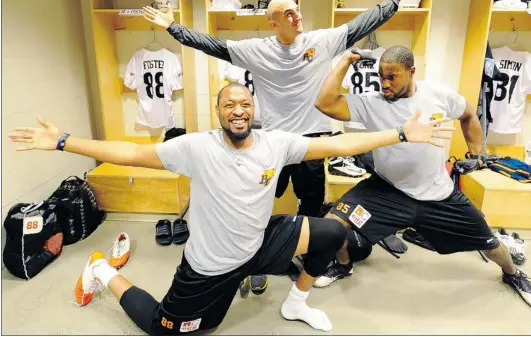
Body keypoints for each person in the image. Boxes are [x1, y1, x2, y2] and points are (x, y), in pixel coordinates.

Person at [9, 83, 454, 335]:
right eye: (229, 105)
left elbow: (336, 143)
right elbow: (128, 152)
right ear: (219, 112)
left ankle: (295, 303)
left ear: (253, 109)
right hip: (211, 266)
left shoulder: (276, 143)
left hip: (260, 242)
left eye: (244, 103)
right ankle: (101, 270)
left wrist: (399, 134)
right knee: (169, 329)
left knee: (334, 232)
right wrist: (64, 141)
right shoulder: (194, 148)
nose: (238, 110)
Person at [142, 0, 422, 291]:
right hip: (272, 141)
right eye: (288, 13)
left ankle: (309, 254)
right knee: (260, 201)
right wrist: (173, 28)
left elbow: (362, 24)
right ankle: (256, 256)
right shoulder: (256, 49)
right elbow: (212, 45)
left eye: (297, 9)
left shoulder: (320, 42)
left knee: (311, 204)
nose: (297, 16)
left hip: (312, 141)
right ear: (274, 23)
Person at [311, 46, 531, 308]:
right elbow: (324, 102)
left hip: (438, 195)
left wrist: (477, 153)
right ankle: (344, 266)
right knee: (333, 224)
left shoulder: (439, 96)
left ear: (411, 71)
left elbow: (469, 114)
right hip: (387, 191)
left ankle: (513, 275)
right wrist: (345, 60)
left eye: (392, 77)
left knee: (490, 243)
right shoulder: (372, 103)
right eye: (381, 76)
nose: (384, 83)